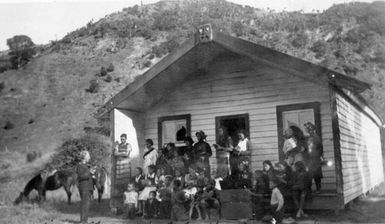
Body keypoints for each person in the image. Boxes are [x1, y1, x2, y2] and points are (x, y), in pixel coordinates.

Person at [304, 122, 324, 194]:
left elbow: (320, 148)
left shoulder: (315, 137)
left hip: (314, 159)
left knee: (316, 174)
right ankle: (309, 190)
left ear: (310, 129)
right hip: (309, 159)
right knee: (309, 174)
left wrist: (317, 156)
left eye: (307, 128)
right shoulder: (308, 137)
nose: (306, 130)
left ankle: (318, 189)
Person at [76, 150, 94, 224]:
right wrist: (89, 172)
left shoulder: (85, 166)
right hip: (84, 187)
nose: (89, 157)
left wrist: (91, 174)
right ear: (84, 157)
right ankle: (83, 221)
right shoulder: (80, 166)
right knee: (84, 204)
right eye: (88, 156)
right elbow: (81, 177)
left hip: (88, 187)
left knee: (87, 204)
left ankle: (85, 221)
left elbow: (87, 175)